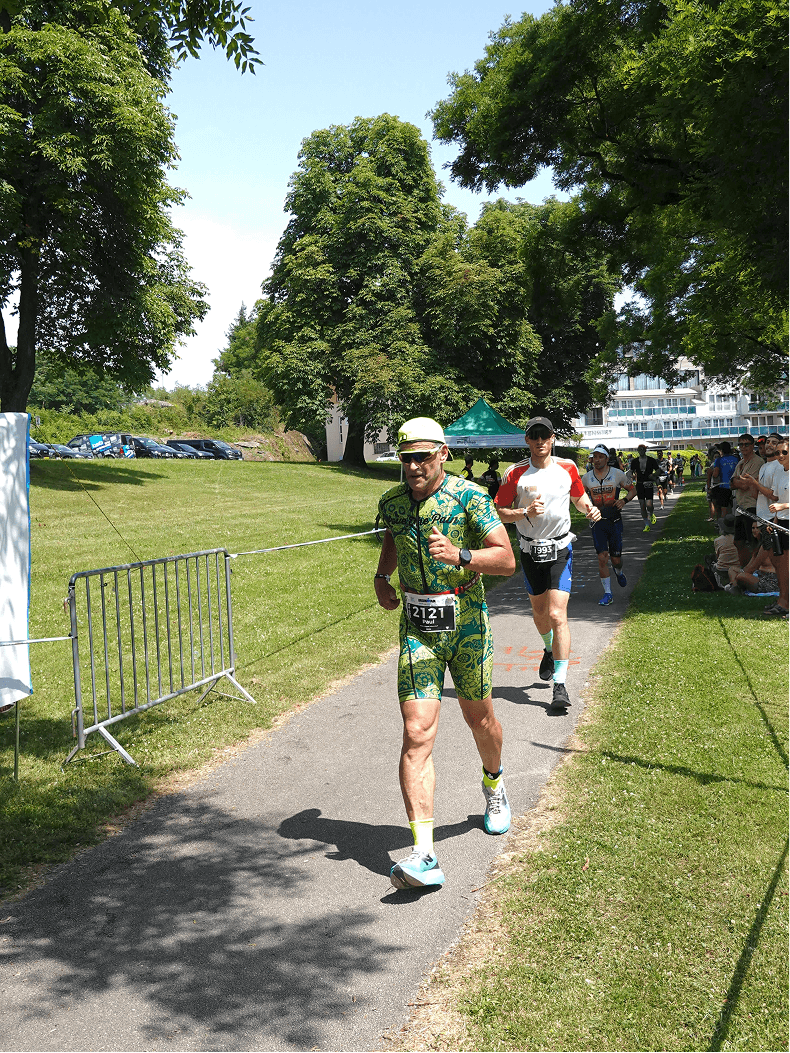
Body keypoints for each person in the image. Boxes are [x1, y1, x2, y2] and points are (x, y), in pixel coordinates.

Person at [375, 418, 516, 890]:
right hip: (417, 628)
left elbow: (507, 559)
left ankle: (494, 783)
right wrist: (382, 577)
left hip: (467, 620)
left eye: (422, 456)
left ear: (442, 453)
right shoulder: (392, 502)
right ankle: (424, 854)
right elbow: (393, 537)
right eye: (406, 458)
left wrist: (461, 556)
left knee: (481, 721)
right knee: (416, 732)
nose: (414, 466)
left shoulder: (471, 496)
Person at [495, 416, 601, 712]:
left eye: (545, 435)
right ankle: (547, 647)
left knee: (557, 614)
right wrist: (523, 511)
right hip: (530, 552)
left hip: (560, 548)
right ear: (527, 440)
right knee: (540, 613)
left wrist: (590, 510)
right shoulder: (516, 474)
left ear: (553, 438)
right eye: (534, 435)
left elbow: (579, 499)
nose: (540, 440)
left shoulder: (567, 467)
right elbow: (500, 511)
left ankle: (560, 684)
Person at [581, 444, 637, 605]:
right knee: (602, 558)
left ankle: (618, 572)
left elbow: (633, 490)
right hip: (597, 523)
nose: (596, 460)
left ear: (606, 458)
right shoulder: (587, 478)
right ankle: (608, 593)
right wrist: (587, 507)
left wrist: (624, 500)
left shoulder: (617, 474)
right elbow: (579, 496)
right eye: (594, 457)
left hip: (614, 522)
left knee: (616, 559)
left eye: (600, 457)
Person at [729, 434, 764, 565]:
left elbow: (745, 485)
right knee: (738, 542)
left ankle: (755, 570)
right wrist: (738, 481)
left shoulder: (758, 462)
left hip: (752, 505)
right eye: (741, 444)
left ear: (752, 445)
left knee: (754, 540)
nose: (743, 447)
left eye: (746, 444)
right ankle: (745, 567)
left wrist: (737, 481)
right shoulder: (740, 463)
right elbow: (731, 484)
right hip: (740, 507)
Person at [629, 444, 661, 533]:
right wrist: (630, 477)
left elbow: (658, 470)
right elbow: (631, 472)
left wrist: (654, 475)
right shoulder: (635, 461)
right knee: (642, 505)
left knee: (649, 505)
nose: (641, 451)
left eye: (643, 449)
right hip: (639, 484)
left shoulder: (651, 460)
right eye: (639, 449)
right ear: (638, 451)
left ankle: (651, 513)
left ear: (645, 450)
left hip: (649, 484)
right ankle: (646, 525)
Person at [709, 441, 740, 521]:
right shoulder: (736, 458)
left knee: (723, 509)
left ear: (721, 450)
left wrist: (710, 473)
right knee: (737, 507)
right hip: (736, 486)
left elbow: (716, 474)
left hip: (724, 486)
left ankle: (724, 527)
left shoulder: (719, 460)